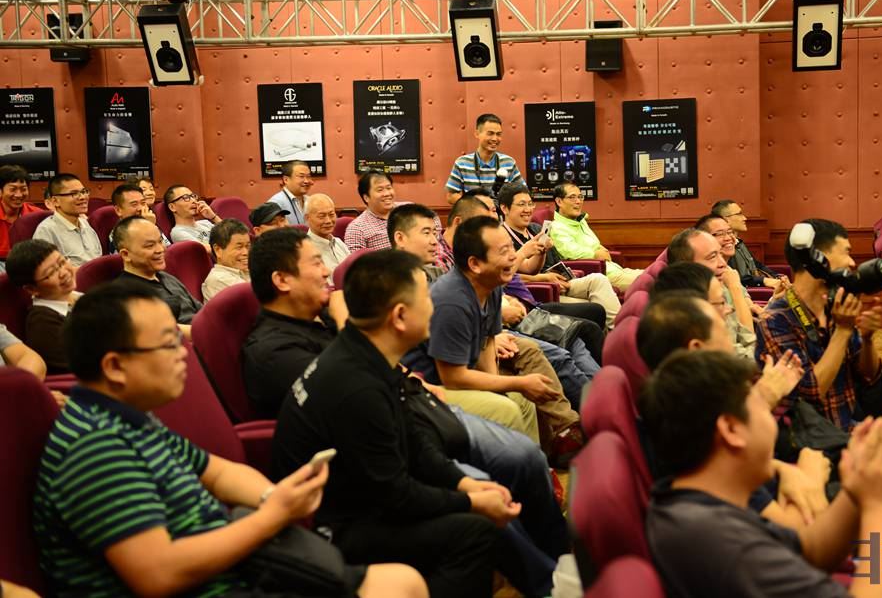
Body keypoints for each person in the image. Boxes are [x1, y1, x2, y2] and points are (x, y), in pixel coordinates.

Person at [32, 281, 425, 598]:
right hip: (206, 585)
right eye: (169, 343)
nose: (183, 353)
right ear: (115, 366)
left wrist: (274, 498)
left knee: (400, 580)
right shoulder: (96, 447)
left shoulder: (128, 417)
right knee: (398, 583)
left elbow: (218, 474)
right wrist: (272, 518)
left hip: (228, 570)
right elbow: (158, 575)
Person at [244, 232, 568, 595]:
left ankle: (555, 579)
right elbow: (394, 494)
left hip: (370, 494)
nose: (433, 306)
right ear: (399, 316)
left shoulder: (367, 355)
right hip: (338, 525)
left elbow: (415, 443)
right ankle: (551, 586)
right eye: (425, 299)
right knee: (476, 530)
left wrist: (463, 485)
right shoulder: (356, 385)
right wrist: (469, 500)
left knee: (486, 484)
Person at [640, 348, 882, 598]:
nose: (771, 415)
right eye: (759, 405)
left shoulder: (696, 496)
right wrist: (879, 507)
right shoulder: (722, 543)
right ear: (731, 430)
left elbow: (811, 550)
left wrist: (855, 489)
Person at [756, 218, 882, 539]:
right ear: (817, 259)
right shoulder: (776, 319)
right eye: (846, 252)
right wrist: (843, 332)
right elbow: (810, 392)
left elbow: (868, 377)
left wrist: (865, 339)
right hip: (816, 447)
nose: (853, 263)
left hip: (850, 429)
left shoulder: (834, 307)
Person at [413, 215, 584, 466]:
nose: (514, 257)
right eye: (504, 252)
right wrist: (517, 383)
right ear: (475, 264)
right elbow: (452, 377)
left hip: (462, 372)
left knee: (522, 394)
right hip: (431, 386)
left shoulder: (491, 286)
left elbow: (487, 344)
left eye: (512, 249)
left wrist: (500, 384)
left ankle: (543, 461)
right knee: (513, 401)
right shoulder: (451, 301)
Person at [243, 227, 350, 419]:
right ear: (282, 280)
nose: (326, 272)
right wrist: (346, 324)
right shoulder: (274, 352)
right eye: (316, 264)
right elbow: (357, 393)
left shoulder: (321, 314)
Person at [498, 183, 621, 328]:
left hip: (558, 280)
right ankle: (616, 334)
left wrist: (543, 253)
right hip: (541, 289)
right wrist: (543, 278)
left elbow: (533, 267)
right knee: (595, 307)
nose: (528, 209)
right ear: (504, 208)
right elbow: (508, 275)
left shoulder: (536, 228)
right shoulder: (501, 237)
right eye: (521, 204)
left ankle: (620, 329)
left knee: (598, 280)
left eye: (530, 204)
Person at [667, 227, 756, 358]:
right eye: (712, 257)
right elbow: (733, 360)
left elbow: (748, 339)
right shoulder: (687, 313)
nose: (723, 264)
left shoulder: (717, 290)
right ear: (687, 267)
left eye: (720, 254)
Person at [548, 182, 643, 290]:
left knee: (655, 273)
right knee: (653, 281)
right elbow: (570, 252)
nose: (578, 201)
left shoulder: (580, 221)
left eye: (580, 197)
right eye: (572, 197)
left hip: (615, 270)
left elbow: (595, 244)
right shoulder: (557, 227)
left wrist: (602, 250)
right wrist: (595, 254)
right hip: (601, 276)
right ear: (559, 201)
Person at [5, 239, 80, 373]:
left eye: (62, 262)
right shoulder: (43, 323)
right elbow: (80, 368)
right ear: (31, 289)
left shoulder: (79, 296)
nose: (63, 272)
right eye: (51, 273)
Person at [112, 216, 202, 327]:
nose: (160, 249)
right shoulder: (126, 295)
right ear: (126, 254)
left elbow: (202, 313)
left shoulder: (165, 277)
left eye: (160, 241)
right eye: (150, 246)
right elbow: (166, 331)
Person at [445, 113, 523, 205]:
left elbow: (522, 193)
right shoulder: (462, 163)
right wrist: (477, 205)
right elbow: (451, 196)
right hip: (473, 213)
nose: (495, 139)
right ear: (477, 134)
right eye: (490, 133)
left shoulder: (509, 163)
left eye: (498, 134)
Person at [712, 198, 785, 289]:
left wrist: (777, 277)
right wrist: (764, 280)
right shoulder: (723, 247)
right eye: (739, 214)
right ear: (726, 219)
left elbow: (757, 265)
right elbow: (737, 279)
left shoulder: (739, 242)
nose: (745, 218)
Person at [32, 174, 101, 267]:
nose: (83, 197)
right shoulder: (46, 230)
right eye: (74, 193)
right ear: (55, 201)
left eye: (84, 191)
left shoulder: (85, 224)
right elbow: (47, 270)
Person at [0, 164, 45, 264]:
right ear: (0, 191)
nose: (19, 195)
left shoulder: (38, 215)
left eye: (23, 189)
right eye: (13, 189)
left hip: (29, 262)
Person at [344, 170, 397, 252]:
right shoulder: (357, 229)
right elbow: (356, 259)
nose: (387, 193)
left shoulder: (407, 211)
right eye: (380, 190)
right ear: (366, 197)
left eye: (389, 188)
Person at [110, 183, 170, 251]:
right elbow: (145, 254)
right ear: (118, 210)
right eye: (134, 204)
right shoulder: (118, 234)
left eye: (143, 203)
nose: (140, 208)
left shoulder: (148, 221)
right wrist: (148, 227)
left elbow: (167, 249)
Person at [202, 218, 251, 301]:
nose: (246, 252)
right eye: (239, 247)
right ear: (218, 250)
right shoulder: (219, 280)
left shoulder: (246, 269)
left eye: (248, 246)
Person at [304, 193, 351, 271]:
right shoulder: (305, 251)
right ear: (307, 218)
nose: (328, 221)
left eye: (331, 215)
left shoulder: (339, 243)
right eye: (321, 216)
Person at [267, 160, 314, 225]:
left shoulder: (311, 200)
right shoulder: (276, 203)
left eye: (308, 176)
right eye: (301, 176)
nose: (306, 181)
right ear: (286, 180)